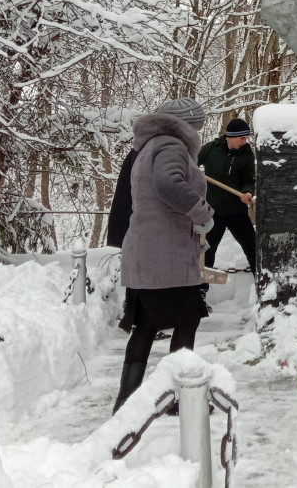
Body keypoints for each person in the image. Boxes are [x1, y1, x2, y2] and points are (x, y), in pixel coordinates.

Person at [113, 98, 215, 413]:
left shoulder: (149, 145)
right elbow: (169, 186)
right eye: (197, 125)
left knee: (144, 325)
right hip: (166, 255)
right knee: (188, 319)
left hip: (148, 252)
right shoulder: (171, 147)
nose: (199, 130)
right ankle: (180, 395)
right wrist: (203, 214)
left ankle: (127, 402)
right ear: (185, 125)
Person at [197, 118, 257, 282]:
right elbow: (192, 162)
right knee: (207, 252)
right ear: (231, 136)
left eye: (246, 138)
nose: (245, 142)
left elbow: (248, 180)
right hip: (213, 211)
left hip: (236, 211)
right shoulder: (211, 148)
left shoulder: (246, 155)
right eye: (242, 138)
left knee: (253, 248)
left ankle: (262, 285)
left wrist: (247, 192)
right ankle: (201, 293)